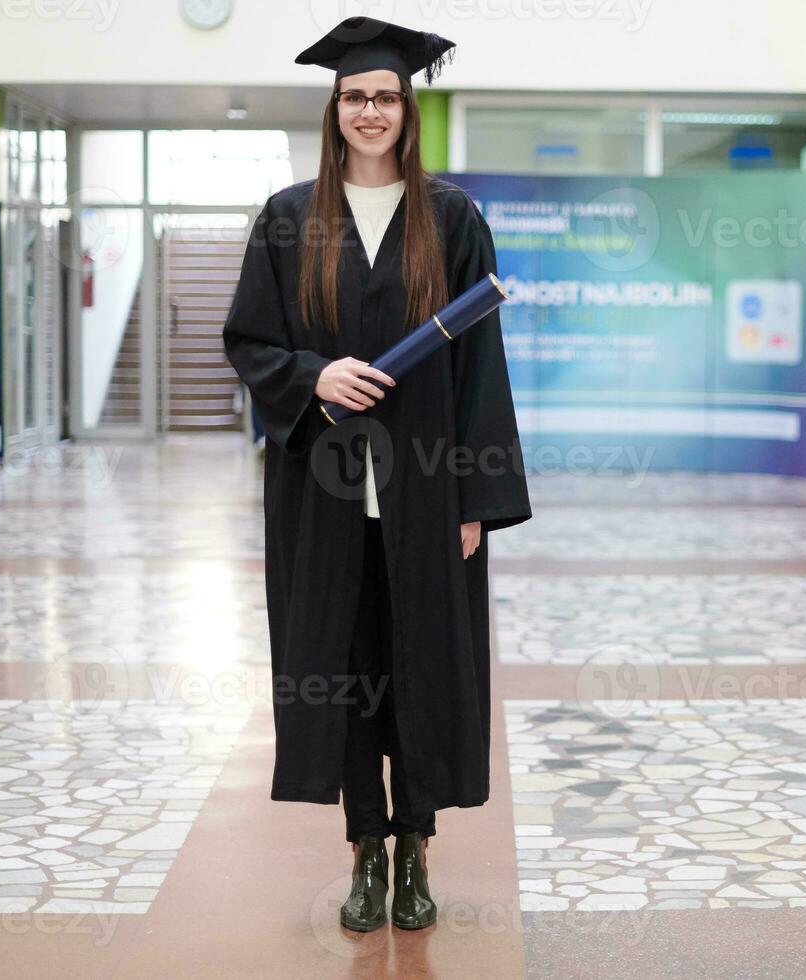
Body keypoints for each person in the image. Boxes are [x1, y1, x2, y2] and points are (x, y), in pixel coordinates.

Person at [221, 16, 531, 933]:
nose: (370, 111)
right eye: (355, 96)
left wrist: (477, 499)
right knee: (344, 672)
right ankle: (364, 849)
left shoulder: (453, 219)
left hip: (429, 492)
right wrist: (312, 374)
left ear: (407, 109)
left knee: (421, 669)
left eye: (385, 96)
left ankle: (417, 848)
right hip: (323, 490)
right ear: (334, 108)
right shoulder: (289, 218)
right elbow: (247, 340)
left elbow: (482, 371)